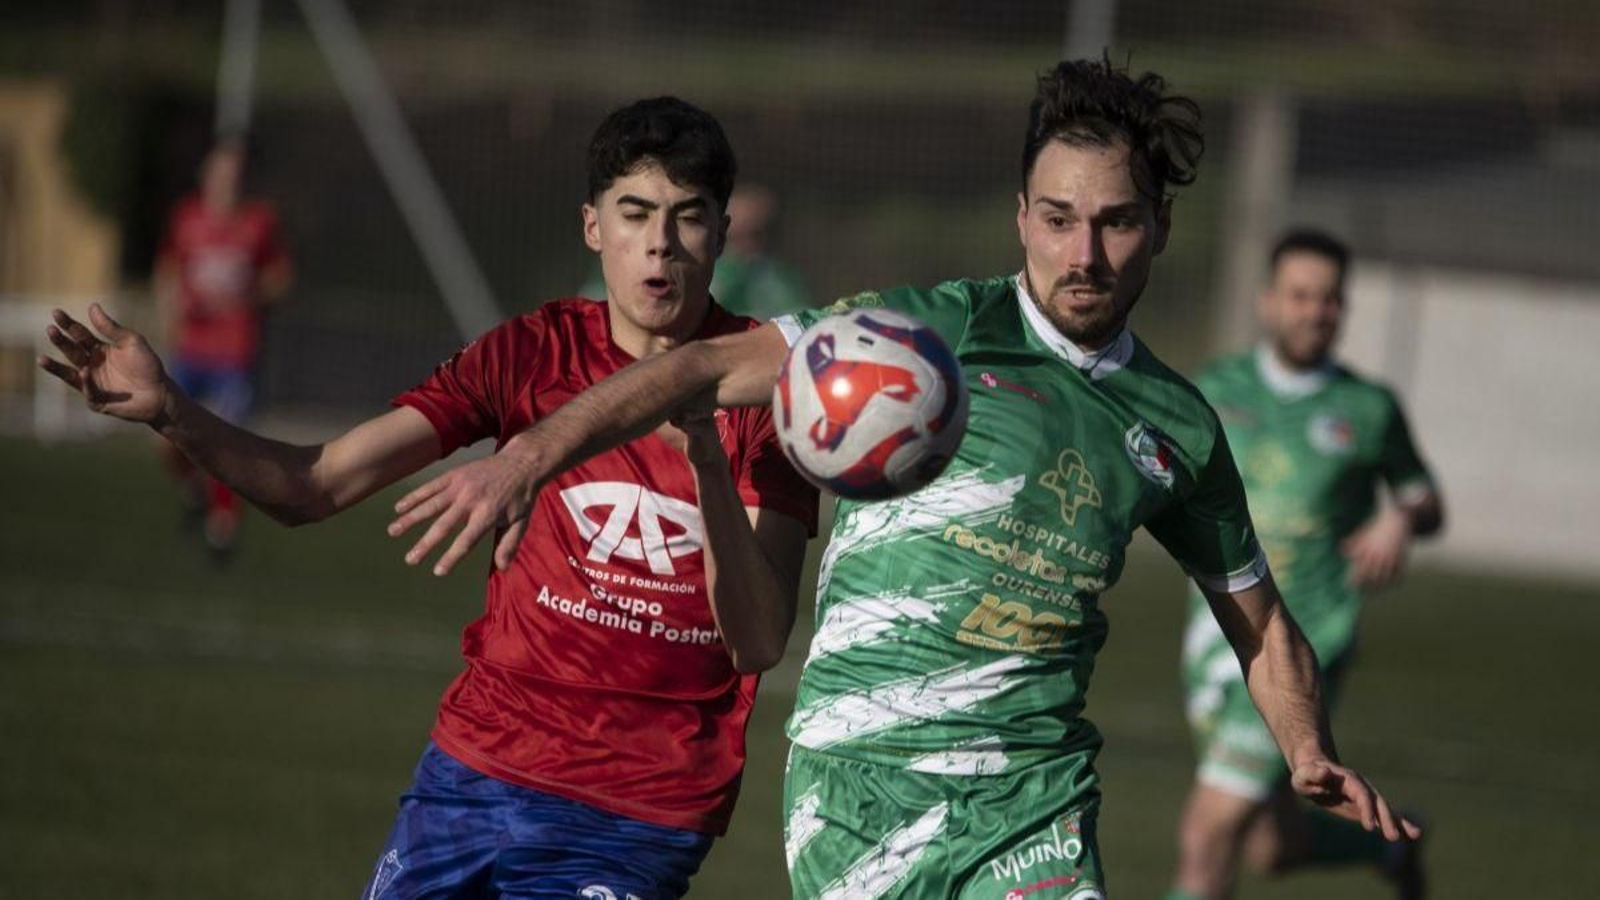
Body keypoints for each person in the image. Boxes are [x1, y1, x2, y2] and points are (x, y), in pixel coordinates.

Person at [382, 58, 1421, 899]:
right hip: (857, 786)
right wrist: (526, 454)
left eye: (1114, 221)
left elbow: (1261, 618)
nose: (1085, 251)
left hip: (1034, 791)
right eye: (1058, 217)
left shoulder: (1176, 426)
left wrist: (1302, 747)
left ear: (1158, 226)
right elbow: (697, 364)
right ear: (1020, 216)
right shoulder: (918, 331)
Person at [39, 97, 817, 899]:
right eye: (635, 212)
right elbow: (315, 485)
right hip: (471, 776)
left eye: (688, 218)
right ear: (593, 228)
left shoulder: (767, 399)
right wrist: (173, 410)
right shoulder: (528, 354)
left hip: (634, 815)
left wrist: (707, 463)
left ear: (723, 233)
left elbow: (758, 639)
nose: (660, 243)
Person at [1169, 229, 1444, 900]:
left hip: (1306, 636)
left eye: (1329, 299)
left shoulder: (1368, 408)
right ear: (1268, 301)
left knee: (1206, 834)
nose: (1314, 311)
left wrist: (1400, 519)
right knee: (1270, 844)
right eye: (1300, 295)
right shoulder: (1216, 387)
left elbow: (1425, 499)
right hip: (1218, 635)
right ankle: (1391, 847)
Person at [153, 137, 293, 555]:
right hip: (191, 348)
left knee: (229, 443)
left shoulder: (258, 222)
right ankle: (192, 490)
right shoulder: (187, 217)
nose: (226, 183)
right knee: (164, 439)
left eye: (234, 176)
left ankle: (223, 527)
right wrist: (169, 314)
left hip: (235, 352)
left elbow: (281, 276)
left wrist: (247, 293)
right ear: (207, 176)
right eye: (220, 174)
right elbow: (168, 270)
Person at [581, 183, 810, 321]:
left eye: (755, 235)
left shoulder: (779, 281)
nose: (743, 248)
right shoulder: (661, 266)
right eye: (635, 217)